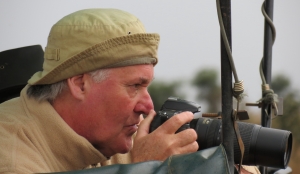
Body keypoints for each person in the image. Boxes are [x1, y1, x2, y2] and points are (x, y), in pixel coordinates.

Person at [0, 8, 199, 173]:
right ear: (79, 84)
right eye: (134, 86)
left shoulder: (107, 136)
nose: (148, 106)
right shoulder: (11, 158)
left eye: (146, 86)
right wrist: (145, 168)